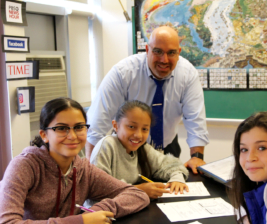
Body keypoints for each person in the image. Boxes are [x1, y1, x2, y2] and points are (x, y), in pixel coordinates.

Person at [0, 97, 149, 224]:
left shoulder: (83, 169)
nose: (72, 136)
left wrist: (96, 211)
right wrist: (81, 221)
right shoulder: (24, 166)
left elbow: (137, 195)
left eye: (79, 127)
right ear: (44, 135)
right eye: (61, 128)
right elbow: (8, 222)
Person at [85, 26, 209, 174]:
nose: (164, 60)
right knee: (129, 192)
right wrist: (91, 172)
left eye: (171, 53)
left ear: (178, 53)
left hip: (167, 147)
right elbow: (97, 125)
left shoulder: (187, 74)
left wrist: (197, 156)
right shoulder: (123, 73)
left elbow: (195, 119)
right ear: (147, 50)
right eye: (158, 51)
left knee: (172, 189)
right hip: (126, 149)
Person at [89, 100, 189, 199]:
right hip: (101, 212)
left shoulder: (143, 148)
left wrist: (177, 178)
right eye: (131, 127)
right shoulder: (107, 145)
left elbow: (171, 164)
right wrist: (139, 190)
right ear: (116, 126)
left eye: (145, 129)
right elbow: (98, 189)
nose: (138, 135)